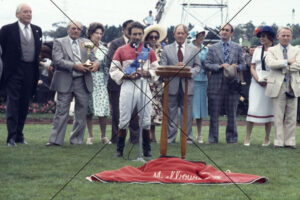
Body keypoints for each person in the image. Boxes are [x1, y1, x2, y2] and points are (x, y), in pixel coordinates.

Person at [110, 21, 159, 157]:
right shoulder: (121, 50)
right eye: (134, 34)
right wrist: (126, 75)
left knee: (146, 119)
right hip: (128, 86)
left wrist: (147, 73)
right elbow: (113, 70)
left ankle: (147, 149)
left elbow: (156, 69)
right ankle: (119, 150)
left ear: (143, 34)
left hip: (144, 85)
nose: (137, 36)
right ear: (129, 34)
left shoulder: (149, 51)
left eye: (139, 34)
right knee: (124, 118)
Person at [46, 21, 99, 146]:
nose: (76, 31)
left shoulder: (86, 42)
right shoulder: (59, 42)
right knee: (61, 111)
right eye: (73, 28)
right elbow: (58, 61)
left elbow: (94, 59)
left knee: (81, 112)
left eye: (79, 29)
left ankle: (76, 140)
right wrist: (75, 66)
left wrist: (97, 64)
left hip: (83, 81)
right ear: (68, 29)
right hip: (65, 80)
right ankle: (55, 141)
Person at [0, 4, 42, 146]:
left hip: (30, 71)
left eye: (30, 12)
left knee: (25, 103)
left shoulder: (37, 30)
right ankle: (11, 137)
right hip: (14, 71)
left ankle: (19, 135)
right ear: (17, 14)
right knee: (13, 103)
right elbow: (3, 51)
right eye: (25, 12)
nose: (28, 14)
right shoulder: (6, 30)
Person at [160, 24, 201, 144]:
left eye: (182, 33)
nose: (180, 35)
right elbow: (162, 67)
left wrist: (188, 72)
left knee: (187, 114)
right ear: (174, 35)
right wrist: (174, 67)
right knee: (171, 114)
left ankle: (187, 139)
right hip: (171, 86)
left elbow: (198, 66)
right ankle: (170, 139)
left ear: (187, 35)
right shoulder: (166, 49)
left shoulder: (193, 49)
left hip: (187, 85)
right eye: (178, 33)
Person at [204, 23, 245, 144]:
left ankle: (232, 138)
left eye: (227, 30)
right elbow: (206, 65)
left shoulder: (237, 47)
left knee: (232, 113)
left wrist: (237, 67)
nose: (224, 32)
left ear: (231, 33)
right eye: (222, 30)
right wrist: (219, 66)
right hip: (216, 84)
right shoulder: (212, 48)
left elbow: (244, 65)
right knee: (214, 114)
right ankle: (213, 138)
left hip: (232, 85)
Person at [265, 26, 300, 149]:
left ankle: (290, 142)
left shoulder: (297, 49)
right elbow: (270, 64)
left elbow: (299, 65)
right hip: (277, 86)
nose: (285, 37)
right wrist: (287, 62)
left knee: (292, 116)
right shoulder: (271, 50)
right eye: (283, 35)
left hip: (293, 85)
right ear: (278, 36)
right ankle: (278, 142)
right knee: (278, 116)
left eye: (288, 35)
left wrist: (282, 65)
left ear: (291, 37)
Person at [106, 20, 140, 144]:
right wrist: (126, 74)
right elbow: (110, 62)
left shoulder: (141, 45)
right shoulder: (115, 44)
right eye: (129, 30)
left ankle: (135, 139)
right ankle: (116, 139)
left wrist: (136, 73)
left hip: (135, 83)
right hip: (118, 83)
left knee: (135, 112)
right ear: (124, 30)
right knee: (117, 113)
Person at [244, 26, 275, 146]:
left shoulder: (275, 50)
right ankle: (247, 138)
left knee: (268, 109)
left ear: (270, 37)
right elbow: (252, 66)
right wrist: (257, 79)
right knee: (252, 108)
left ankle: (267, 138)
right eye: (260, 36)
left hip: (270, 82)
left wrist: (269, 79)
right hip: (256, 82)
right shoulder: (257, 50)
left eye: (263, 36)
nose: (261, 38)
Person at [85, 22, 111, 145]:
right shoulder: (84, 46)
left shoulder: (105, 49)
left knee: (103, 109)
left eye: (101, 33)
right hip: (87, 79)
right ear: (90, 33)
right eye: (96, 33)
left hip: (100, 81)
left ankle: (103, 136)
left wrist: (100, 65)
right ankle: (90, 136)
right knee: (88, 109)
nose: (99, 36)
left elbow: (107, 67)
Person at [142, 24, 167, 142]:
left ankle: (153, 134)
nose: (153, 39)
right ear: (147, 38)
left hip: (158, 84)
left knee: (156, 108)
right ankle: (145, 135)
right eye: (151, 37)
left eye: (156, 37)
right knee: (145, 108)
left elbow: (164, 65)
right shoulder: (143, 50)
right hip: (145, 82)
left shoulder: (162, 51)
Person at [189, 26, 209, 143]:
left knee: (201, 108)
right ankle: (189, 134)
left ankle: (199, 135)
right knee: (191, 108)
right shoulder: (189, 48)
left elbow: (208, 64)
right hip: (191, 79)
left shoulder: (205, 49)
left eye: (203, 35)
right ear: (195, 35)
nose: (202, 37)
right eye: (200, 34)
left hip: (203, 81)